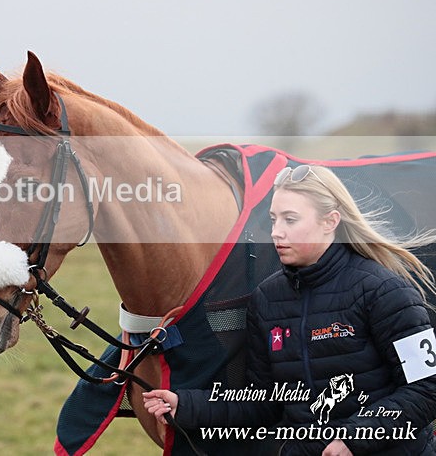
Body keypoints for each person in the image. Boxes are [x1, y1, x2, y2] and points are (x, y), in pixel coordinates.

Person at [143, 164, 436, 455]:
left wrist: (352, 440)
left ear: (330, 221)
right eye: (273, 219)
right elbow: (264, 403)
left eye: (290, 220)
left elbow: (428, 389)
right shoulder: (266, 299)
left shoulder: (385, 290)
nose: (276, 232)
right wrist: (185, 404)